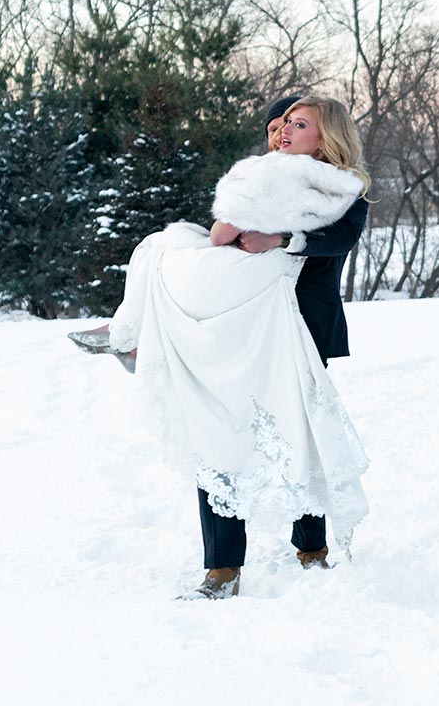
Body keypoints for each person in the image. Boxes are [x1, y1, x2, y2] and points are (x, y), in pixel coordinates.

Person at [96, 95, 373, 600]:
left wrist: (282, 239)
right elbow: (225, 233)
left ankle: (311, 549)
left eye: (298, 124)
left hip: (300, 329)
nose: (283, 131)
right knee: (215, 435)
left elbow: (339, 239)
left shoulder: (346, 193)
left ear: (326, 136)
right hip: (236, 328)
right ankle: (222, 568)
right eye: (281, 124)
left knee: (298, 432)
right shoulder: (263, 178)